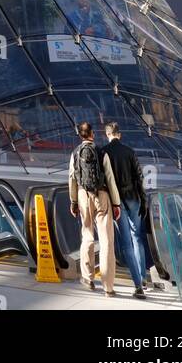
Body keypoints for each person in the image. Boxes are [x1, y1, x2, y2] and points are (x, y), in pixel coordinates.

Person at [68, 121, 121, 296]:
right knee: (106, 241)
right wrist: (116, 204)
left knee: (87, 235)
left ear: (80, 135)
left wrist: (73, 202)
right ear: (92, 134)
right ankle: (108, 287)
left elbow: (72, 179)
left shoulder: (75, 153)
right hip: (102, 195)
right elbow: (110, 179)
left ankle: (88, 278)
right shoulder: (101, 152)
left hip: (83, 196)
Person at [101, 121, 147, 299]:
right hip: (133, 198)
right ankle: (142, 278)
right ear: (119, 135)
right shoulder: (129, 151)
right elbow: (139, 177)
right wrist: (142, 199)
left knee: (126, 243)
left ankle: (138, 286)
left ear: (107, 135)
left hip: (116, 201)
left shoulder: (103, 152)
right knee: (137, 237)